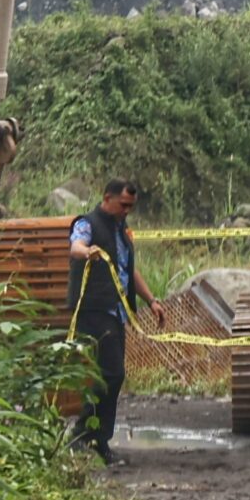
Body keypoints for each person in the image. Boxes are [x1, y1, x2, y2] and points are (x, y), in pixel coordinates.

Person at [66, 178, 167, 462]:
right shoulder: (87, 223)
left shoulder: (122, 230)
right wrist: (87, 253)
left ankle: (97, 439)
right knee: (111, 373)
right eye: (123, 205)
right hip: (94, 310)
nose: (127, 211)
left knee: (110, 375)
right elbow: (75, 246)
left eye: (131, 207)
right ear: (107, 198)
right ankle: (84, 434)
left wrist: (151, 300)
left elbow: (128, 270)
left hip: (117, 312)